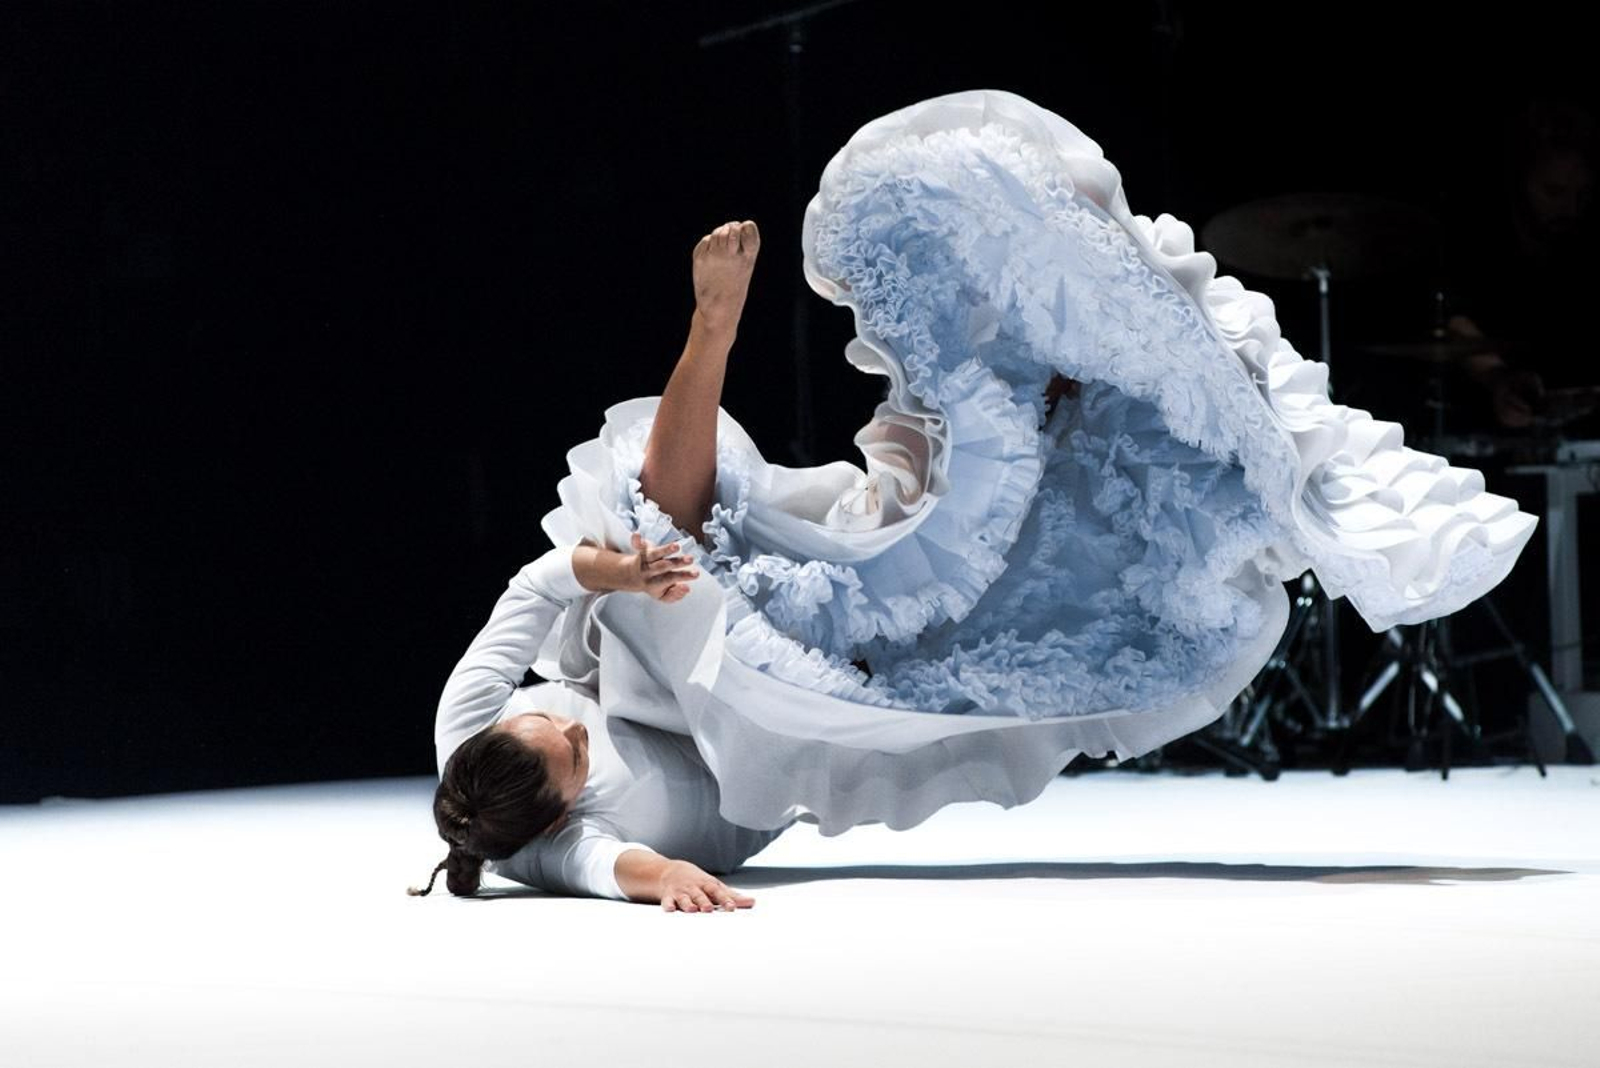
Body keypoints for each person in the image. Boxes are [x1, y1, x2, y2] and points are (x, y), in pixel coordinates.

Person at [415, 89, 1540, 908]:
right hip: (747, 743)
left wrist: (600, 574)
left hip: (648, 646)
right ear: (569, 807)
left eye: (536, 719)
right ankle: (1030, 429)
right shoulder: (562, 847)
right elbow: (631, 868)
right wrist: (672, 886)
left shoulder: (468, 735)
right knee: (940, 591)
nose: (555, 720)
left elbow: (531, 591)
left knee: (647, 538)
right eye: (565, 750)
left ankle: (728, 332)